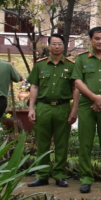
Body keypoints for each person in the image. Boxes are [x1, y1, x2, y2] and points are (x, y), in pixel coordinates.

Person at [27, 34, 79, 188]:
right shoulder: (40, 65)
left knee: (62, 143)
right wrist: (31, 108)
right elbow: (34, 86)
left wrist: (74, 109)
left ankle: (59, 175)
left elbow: (75, 88)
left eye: (60, 44)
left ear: (64, 46)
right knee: (42, 143)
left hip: (63, 107)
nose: (57, 47)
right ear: (48, 46)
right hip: (43, 107)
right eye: (54, 44)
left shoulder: (71, 65)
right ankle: (42, 175)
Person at [72, 27, 101, 194]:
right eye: (97, 38)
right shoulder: (81, 59)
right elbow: (77, 81)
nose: (100, 41)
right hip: (86, 105)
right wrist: (94, 98)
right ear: (90, 40)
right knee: (85, 143)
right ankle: (86, 179)